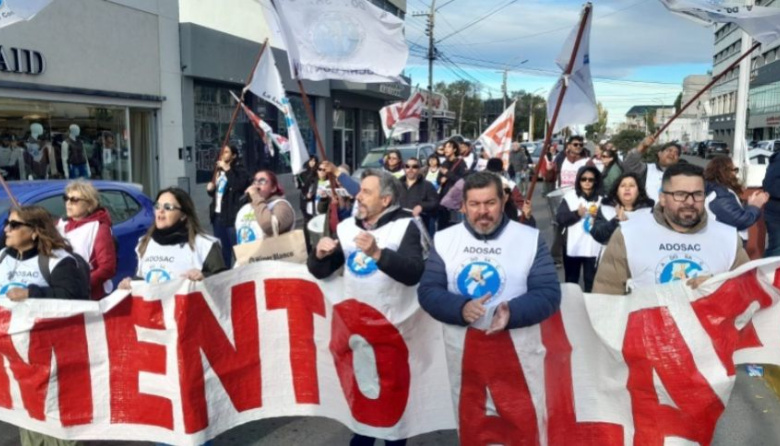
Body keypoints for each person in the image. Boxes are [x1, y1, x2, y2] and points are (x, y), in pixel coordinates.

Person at [307, 169, 424, 446]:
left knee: (393, 413)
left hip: (394, 333)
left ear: (385, 200)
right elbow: (322, 271)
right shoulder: (347, 227)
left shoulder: (408, 225)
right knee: (363, 404)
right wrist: (319, 255)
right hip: (357, 335)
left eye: (366, 192)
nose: (357, 196)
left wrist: (378, 254)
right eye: (359, 191)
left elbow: (415, 272)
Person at [418, 172, 560, 334]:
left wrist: (511, 313)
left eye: (490, 203)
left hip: (516, 347)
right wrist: (461, 308)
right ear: (463, 206)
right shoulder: (444, 239)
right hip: (459, 347)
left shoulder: (530, 238)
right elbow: (428, 291)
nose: (482, 211)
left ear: (503, 200)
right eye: (474, 204)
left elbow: (548, 293)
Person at [0, 205, 90, 446]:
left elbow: (74, 298)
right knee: (30, 429)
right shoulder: (3, 258)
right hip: (20, 368)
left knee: (59, 434)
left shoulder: (57, 261)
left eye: (14, 225)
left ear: (34, 232)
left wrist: (32, 292)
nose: (6, 229)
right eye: (7, 223)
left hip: (55, 369)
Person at [593, 163, 749, 295]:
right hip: (646, 329)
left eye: (697, 194)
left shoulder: (728, 238)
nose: (690, 202)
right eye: (680, 194)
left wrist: (722, 290)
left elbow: (749, 292)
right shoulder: (628, 234)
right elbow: (606, 295)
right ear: (662, 198)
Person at [119, 188, 225, 288]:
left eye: (168, 207)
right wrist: (130, 284)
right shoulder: (144, 243)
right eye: (157, 206)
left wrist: (204, 277)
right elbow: (142, 279)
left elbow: (224, 284)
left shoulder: (205, 245)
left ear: (183, 215)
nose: (160, 211)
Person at [57, 179, 117, 300]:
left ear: (89, 205)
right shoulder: (61, 225)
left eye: (74, 200)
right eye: (66, 198)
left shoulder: (99, 228)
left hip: (90, 295)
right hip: (63, 293)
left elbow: (107, 268)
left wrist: (82, 284)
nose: (68, 203)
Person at [556, 166, 603, 292]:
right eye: (583, 179)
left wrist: (599, 216)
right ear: (578, 180)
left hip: (593, 248)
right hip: (573, 247)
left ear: (596, 181)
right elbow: (560, 218)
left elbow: (609, 223)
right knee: (571, 283)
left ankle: (591, 309)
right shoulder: (570, 197)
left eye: (590, 179)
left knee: (591, 282)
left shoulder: (602, 199)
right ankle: (571, 309)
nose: (587, 182)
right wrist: (577, 214)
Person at [704, 156, 768, 242]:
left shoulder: (718, 190)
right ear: (725, 172)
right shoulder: (721, 195)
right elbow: (740, 221)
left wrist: (749, 205)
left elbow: (732, 214)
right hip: (728, 242)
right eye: (735, 170)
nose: (736, 174)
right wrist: (755, 206)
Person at [207, 145, 249, 266]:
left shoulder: (240, 171)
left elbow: (238, 186)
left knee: (237, 250)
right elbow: (218, 194)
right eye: (222, 152)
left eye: (226, 152)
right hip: (218, 216)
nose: (222, 154)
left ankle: (240, 275)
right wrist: (210, 189)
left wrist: (227, 169)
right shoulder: (218, 171)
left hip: (232, 216)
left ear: (234, 156)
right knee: (222, 250)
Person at [590, 172, 654, 245]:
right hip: (611, 254)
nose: (627, 188)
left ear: (638, 192)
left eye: (632, 185)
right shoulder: (606, 208)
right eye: (623, 186)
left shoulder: (649, 211)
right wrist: (616, 221)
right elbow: (597, 234)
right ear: (617, 191)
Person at [235, 170, 295, 245]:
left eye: (262, 181)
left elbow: (269, 227)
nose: (256, 186)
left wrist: (255, 197)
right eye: (254, 182)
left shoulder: (281, 205)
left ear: (273, 188)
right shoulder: (246, 208)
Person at [622, 137, 681, 203]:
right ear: (659, 154)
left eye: (676, 153)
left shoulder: (681, 175)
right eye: (669, 150)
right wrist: (642, 146)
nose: (672, 154)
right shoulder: (647, 169)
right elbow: (628, 165)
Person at [485, 158, 534, 225]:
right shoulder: (482, 185)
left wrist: (525, 215)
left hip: (508, 219)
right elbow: (520, 203)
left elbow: (520, 204)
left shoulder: (510, 185)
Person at [399, 157, 439, 232]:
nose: (410, 169)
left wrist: (421, 206)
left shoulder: (427, 185)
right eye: (407, 166)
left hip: (420, 226)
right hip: (400, 225)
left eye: (414, 167)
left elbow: (435, 202)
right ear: (404, 168)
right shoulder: (397, 185)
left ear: (419, 169)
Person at [437, 138, 468, 230]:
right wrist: (440, 180)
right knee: (442, 225)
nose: (446, 149)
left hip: (454, 200)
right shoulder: (444, 163)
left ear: (454, 149)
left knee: (454, 226)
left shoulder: (460, 163)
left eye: (449, 147)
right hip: (443, 197)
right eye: (445, 147)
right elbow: (439, 178)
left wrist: (448, 173)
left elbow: (463, 180)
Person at [763, 151, 780, 257]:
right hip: (776, 215)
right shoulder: (778, 160)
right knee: (776, 250)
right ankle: (766, 273)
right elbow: (769, 184)